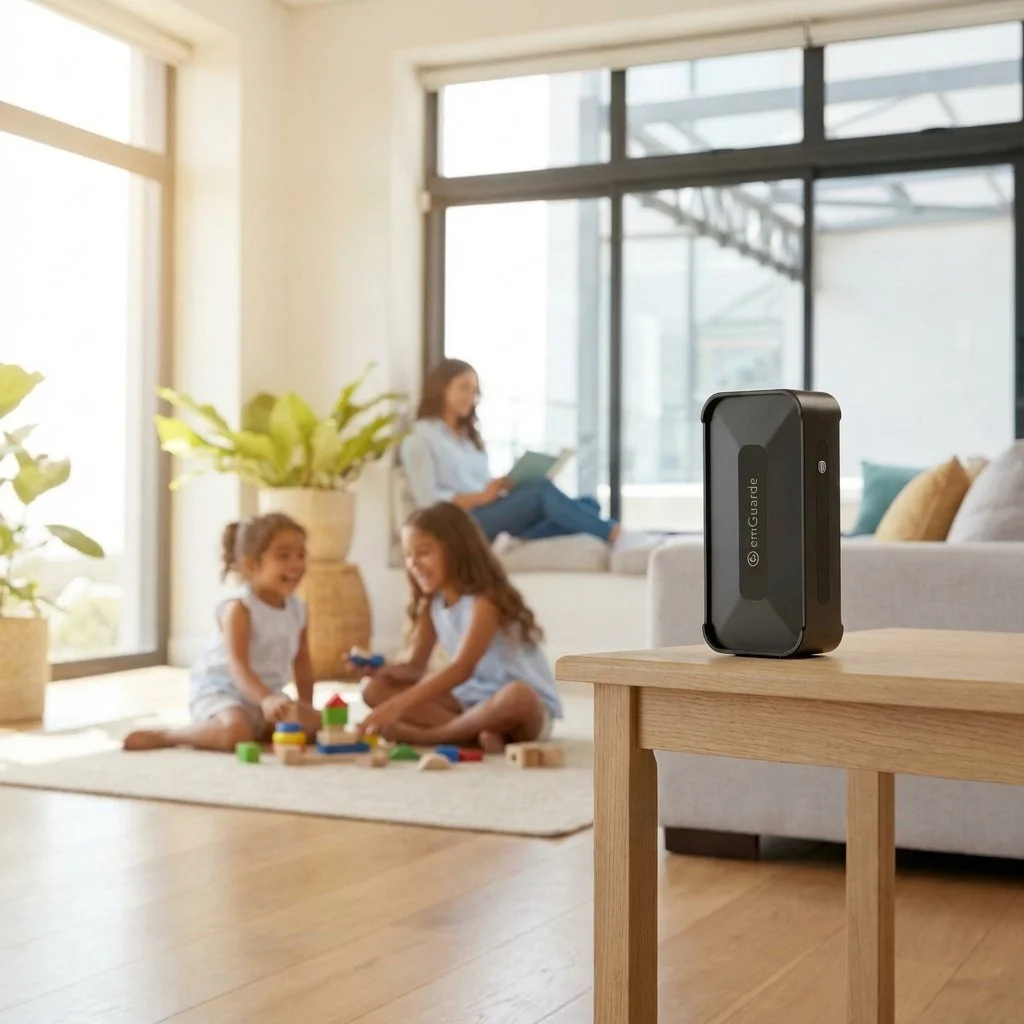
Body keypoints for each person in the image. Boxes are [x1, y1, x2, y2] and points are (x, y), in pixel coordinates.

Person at [357, 501, 562, 750]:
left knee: (518, 695)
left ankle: (433, 737)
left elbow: (461, 669)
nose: (413, 563)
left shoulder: (485, 601)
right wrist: (382, 670)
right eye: (408, 555)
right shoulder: (432, 603)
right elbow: (415, 668)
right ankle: (474, 736)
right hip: (471, 700)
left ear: (456, 551)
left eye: (423, 552)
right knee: (374, 690)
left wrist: (397, 707)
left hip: (521, 709)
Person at [123, 513, 321, 752]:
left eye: (301, 555)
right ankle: (168, 735)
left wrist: (305, 709)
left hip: (268, 697)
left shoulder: (298, 610)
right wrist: (266, 699)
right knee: (236, 734)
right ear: (252, 564)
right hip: (223, 693)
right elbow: (238, 666)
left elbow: (303, 665)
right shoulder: (240, 608)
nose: (296, 564)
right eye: (283, 556)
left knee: (318, 725)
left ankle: (258, 727)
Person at [400, 357, 621, 545]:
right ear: (442, 388)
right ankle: (611, 533)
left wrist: (502, 486)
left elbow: (481, 484)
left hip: (489, 510)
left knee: (588, 504)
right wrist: (482, 497)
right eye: (464, 387)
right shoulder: (420, 438)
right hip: (462, 522)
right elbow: (427, 501)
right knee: (543, 493)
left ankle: (521, 537)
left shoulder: (468, 439)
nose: (471, 397)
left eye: (475, 391)